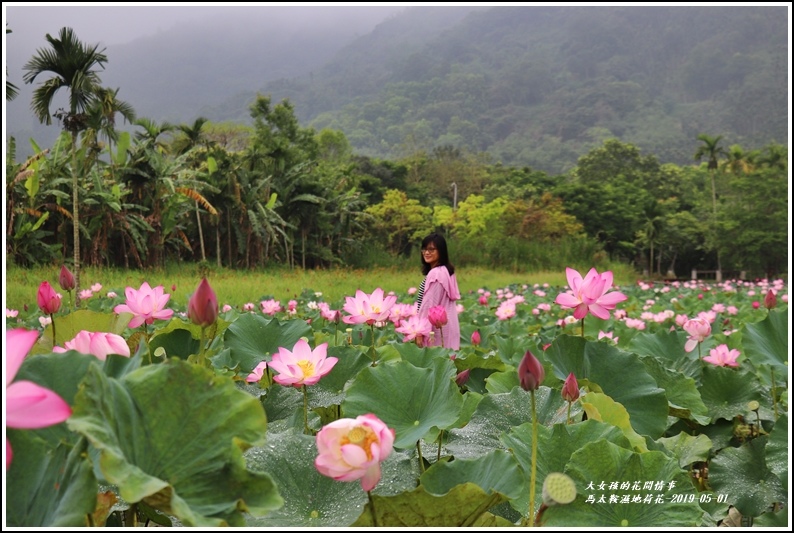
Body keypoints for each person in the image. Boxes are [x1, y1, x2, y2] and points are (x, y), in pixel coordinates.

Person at [415, 233, 461, 349]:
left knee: (437, 364)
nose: (426, 252)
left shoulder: (436, 274)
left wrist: (419, 331)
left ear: (441, 251)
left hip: (436, 331)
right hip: (449, 327)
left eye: (431, 249)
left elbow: (429, 305)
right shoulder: (447, 271)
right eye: (424, 249)